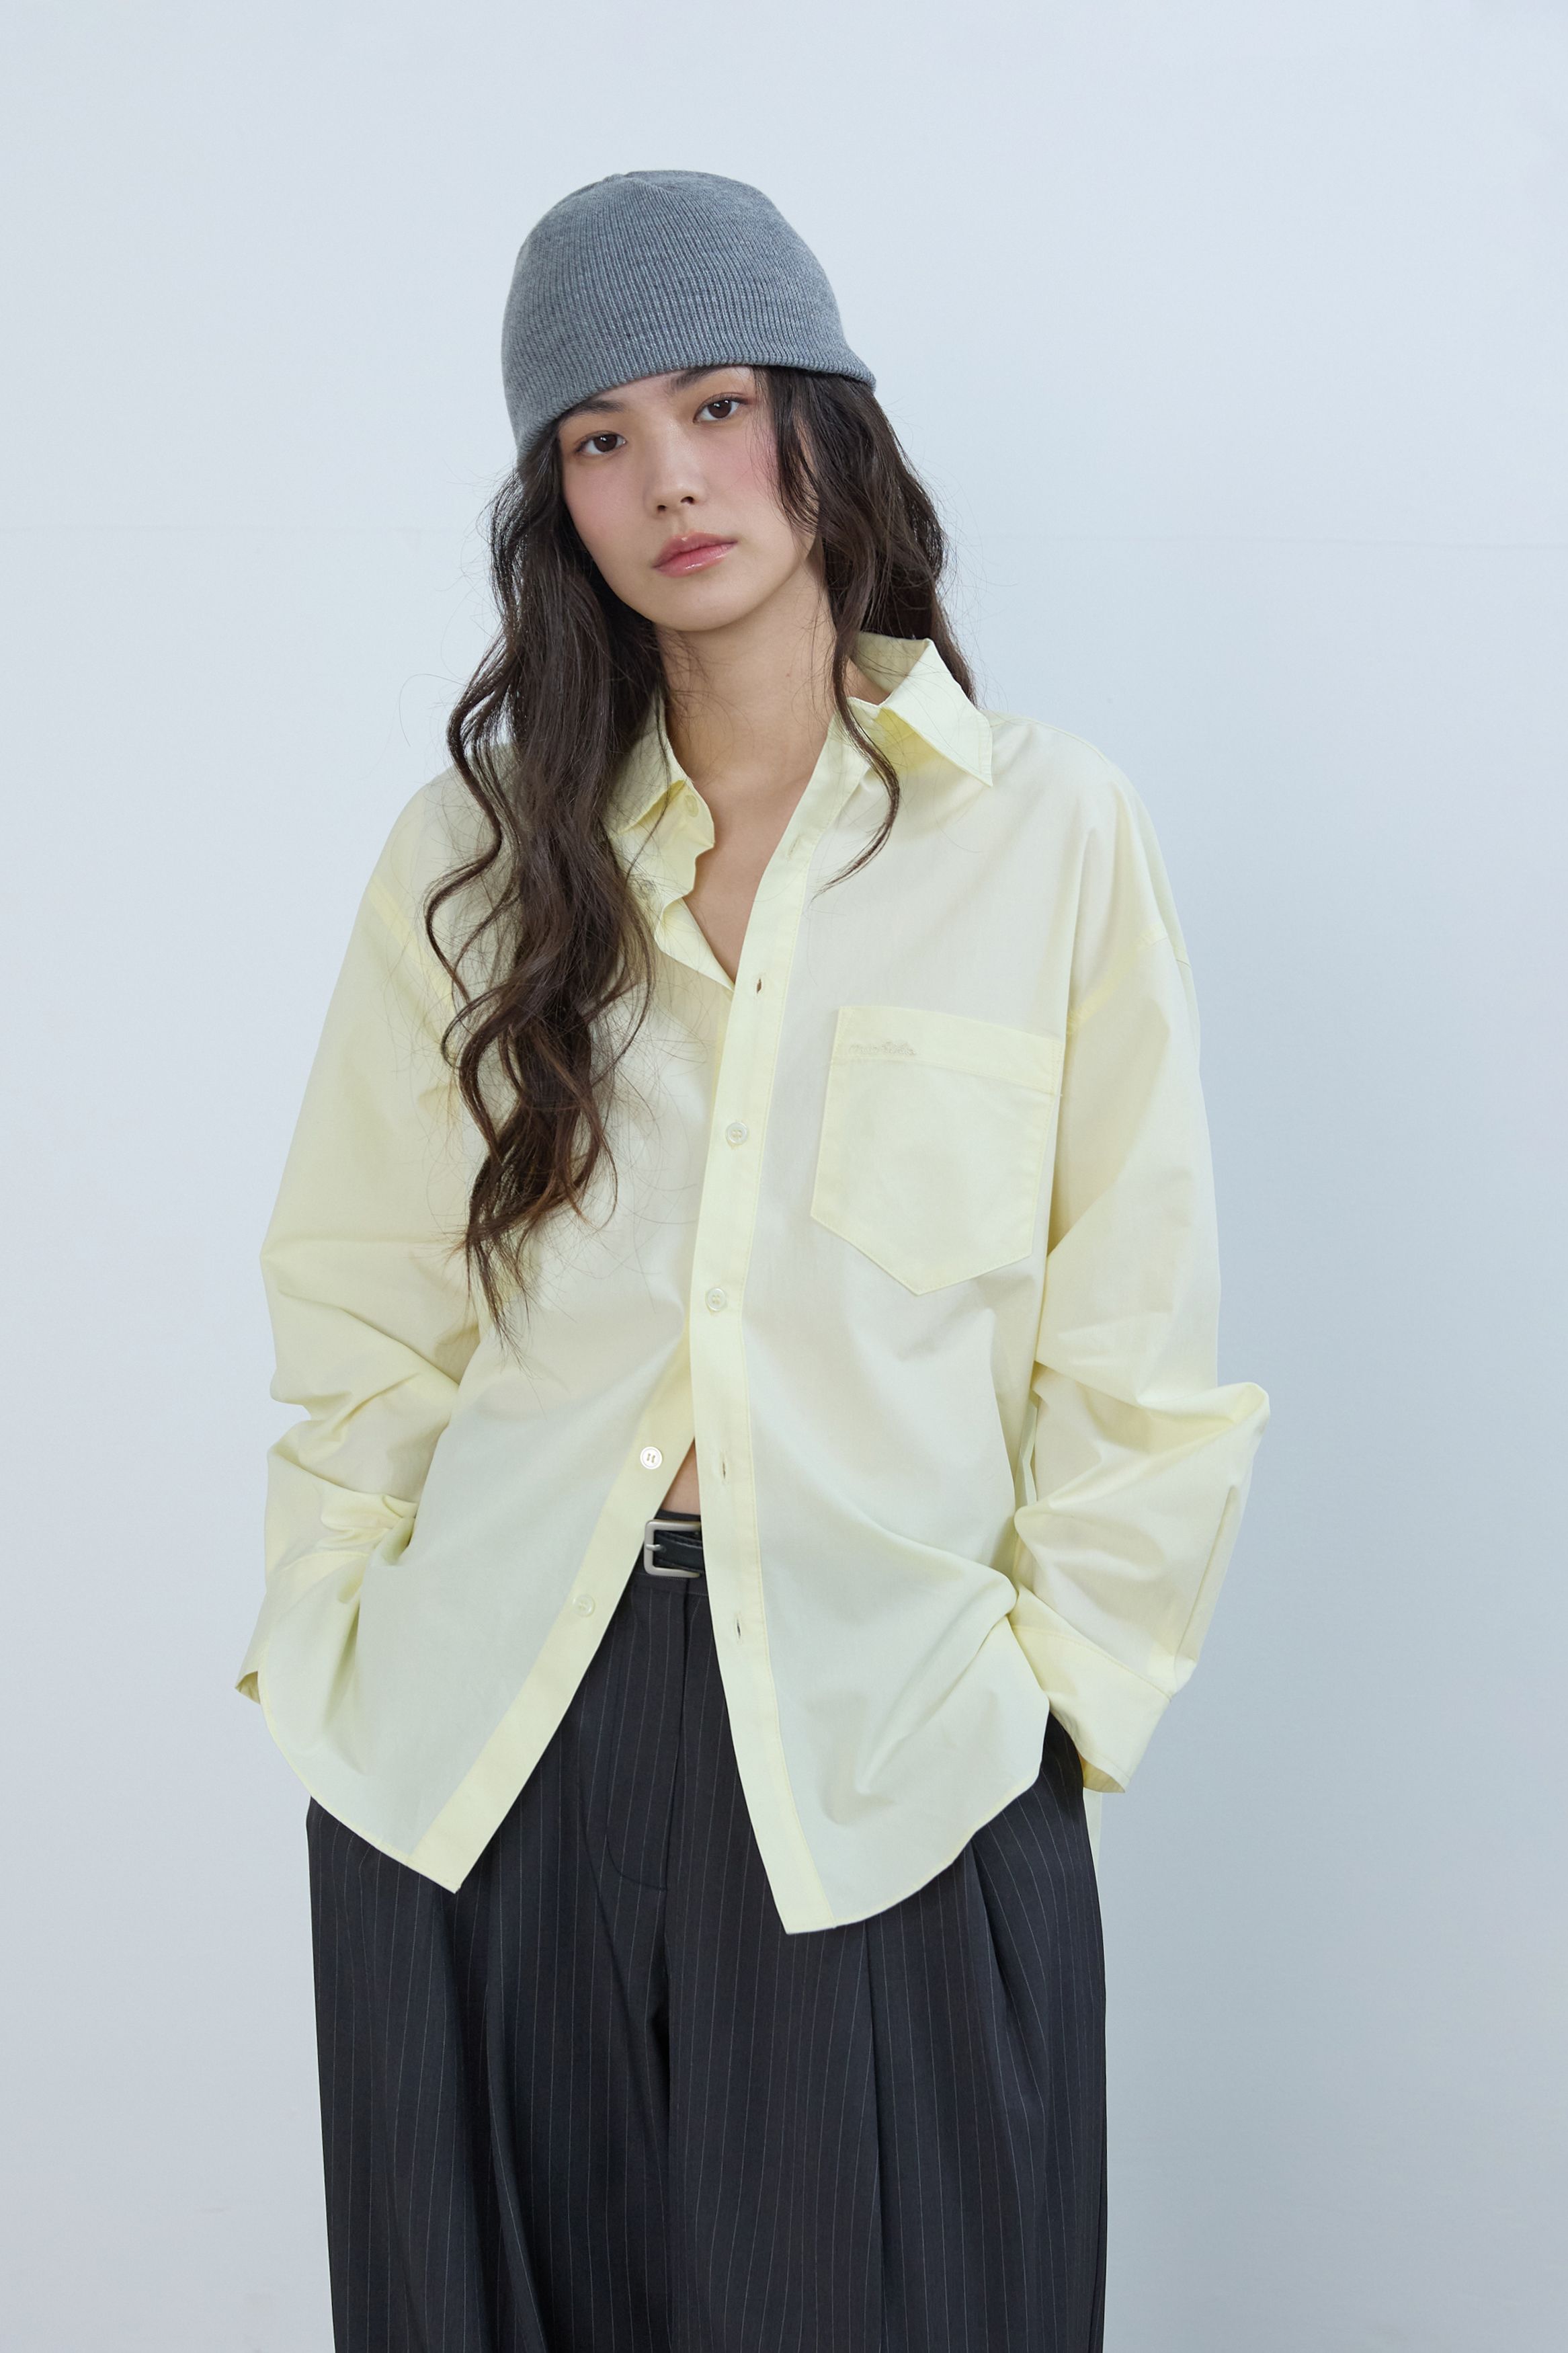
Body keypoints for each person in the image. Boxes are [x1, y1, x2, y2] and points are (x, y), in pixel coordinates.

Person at [236, 169, 1270, 2353]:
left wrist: (1046, 1703)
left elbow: (1136, 1345)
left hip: (890, 1757)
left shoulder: (1048, 834)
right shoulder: (473, 856)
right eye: (599, 436)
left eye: (715, 403)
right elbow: (361, 1295)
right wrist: (337, 1628)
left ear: (820, 419)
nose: (672, 481)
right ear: (555, 499)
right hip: (490, 1737)